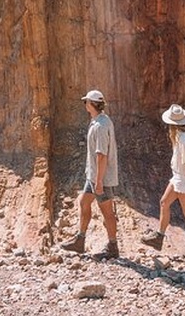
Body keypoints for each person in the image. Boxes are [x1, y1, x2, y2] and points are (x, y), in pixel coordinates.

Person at [140, 104, 185, 259]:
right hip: (178, 178)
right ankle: (159, 237)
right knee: (164, 203)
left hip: (184, 181)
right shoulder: (181, 136)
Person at [60, 89, 120, 259]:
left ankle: (113, 246)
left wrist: (99, 181)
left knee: (107, 212)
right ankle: (80, 240)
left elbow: (102, 155)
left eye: (86, 101)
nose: (84, 104)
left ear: (92, 104)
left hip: (101, 177)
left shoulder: (101, 126)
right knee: (84, 202)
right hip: (93, 175)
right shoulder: (98, 121)